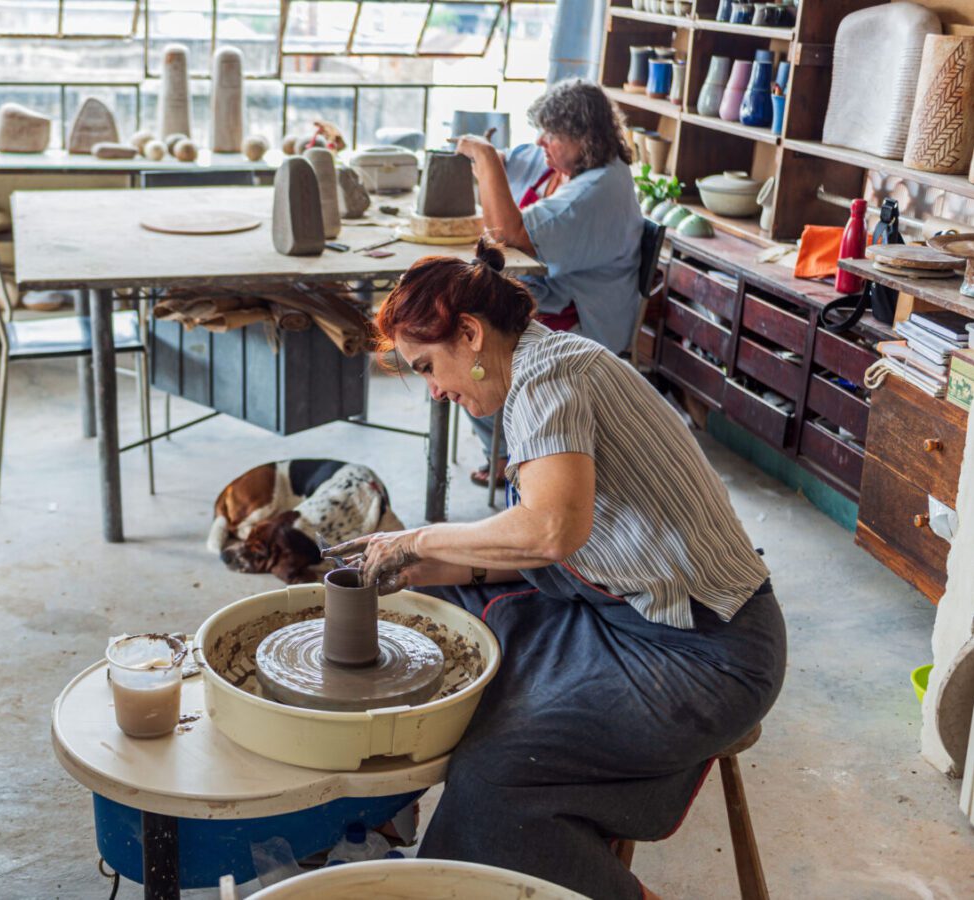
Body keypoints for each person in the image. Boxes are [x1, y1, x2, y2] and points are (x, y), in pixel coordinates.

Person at [330, 240, 786, 900]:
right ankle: (410, 829)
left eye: (430, 366)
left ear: (470, 332)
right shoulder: (537, 373)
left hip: (708, 654)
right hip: (633, 615)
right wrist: (419, 566)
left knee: (494, 776)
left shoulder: (551, 376)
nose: (434, 391)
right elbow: (552, 546)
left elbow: (550, 530)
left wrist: (418, 538)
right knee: (445, 614)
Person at [455, 78, 643, 487]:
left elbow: (507, 235)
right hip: (550, 297)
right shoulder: (560, 161)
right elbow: (518, 159)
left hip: (582, 319)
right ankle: (505, 443)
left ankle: (513, 453)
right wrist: (493, 161)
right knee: (464, 325)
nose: (542, 141)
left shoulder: (597, 190)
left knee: (471, 349)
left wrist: (485, 157)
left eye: (553, 134)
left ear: (585, 139)